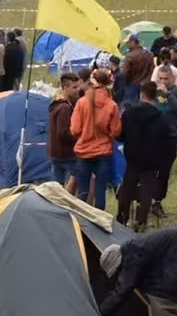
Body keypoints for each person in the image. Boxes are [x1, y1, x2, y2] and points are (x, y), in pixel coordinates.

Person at [70, 68, 122, 209]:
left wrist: (84, 134)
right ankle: (99, 218)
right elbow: (116, 131)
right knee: (100, 189)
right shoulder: (112, 105)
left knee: (83, 191)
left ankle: (81, 218)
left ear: (92, 82)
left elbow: (75, 129)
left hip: (84, 151)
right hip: (104, 152)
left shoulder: (82, 102)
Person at [118, 81, 167, 230]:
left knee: (127, 186)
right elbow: (163, 138)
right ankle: (141, 221)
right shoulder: (160, 116)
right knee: (147, 188)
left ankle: (122, 217)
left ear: (141, 94)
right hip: (151, 157)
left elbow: (120, 133)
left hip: (132, 154)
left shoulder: (129, 112)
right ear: (155, 96)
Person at [153, 66, 177, 216]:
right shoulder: (153, 90)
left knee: (165, 171)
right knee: (150, 170)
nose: (162, 82)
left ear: (172, 78)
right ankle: (145, 200)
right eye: (160, 78)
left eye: (166, 79)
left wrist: (168, 94)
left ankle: (158, 201)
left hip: (170, 135)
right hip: (153, 136)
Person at [48, 72, 81, 190]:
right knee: (74, 183)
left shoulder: (57, 104)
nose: (77, 90)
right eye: (74, 87)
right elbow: (62, 133)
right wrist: (78, 136)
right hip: (66, 154)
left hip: (55, 152)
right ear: (65, 88)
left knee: (57, 188)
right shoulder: (64, 108)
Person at [121, 36, 153, 103]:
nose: (127, 45)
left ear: (133, 42)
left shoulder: (130, 56)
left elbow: (125, 72)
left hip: (133, 85)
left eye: (128, 43)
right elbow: (152, 69)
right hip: (146, 84)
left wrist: (125, 83)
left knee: (132, 106)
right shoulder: (148, 54)